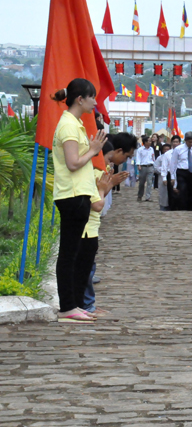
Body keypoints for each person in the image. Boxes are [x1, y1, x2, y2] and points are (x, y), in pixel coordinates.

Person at [51, 79, 108, 323]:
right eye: (92, 97)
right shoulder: (68, 126)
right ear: (80, 99)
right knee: (68, 255)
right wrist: (93, 150)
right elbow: (73, 163)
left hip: (79, 194)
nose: (96, 102)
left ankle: (73, 304)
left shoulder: (75, 123)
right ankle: (67, 307)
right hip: (72, 195)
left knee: (73, 254)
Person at [81, 134, 135, 316]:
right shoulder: (95, 172)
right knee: (85, 270)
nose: (110, 163)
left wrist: (110, 184)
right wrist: (106, 187)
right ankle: (86, 305)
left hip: (91, 227)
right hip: (87, 227)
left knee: (89, 268)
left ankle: (89, 304)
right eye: (108, 159)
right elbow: (97, 204)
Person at [160, 136, 181, 211]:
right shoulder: (167, 154)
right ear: (171, 143)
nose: (175, 143)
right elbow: (164, 166)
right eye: (174, 142)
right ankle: (172, 208)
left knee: (180, 191)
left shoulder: (182, 153)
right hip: (170, 174)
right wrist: (164, 178)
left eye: (177, 142)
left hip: (180, 173)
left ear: (180, 143)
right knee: (171, 192)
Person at [135, 135, 155, 202]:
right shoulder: (140, 150)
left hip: (150, 166)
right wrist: (138, 165)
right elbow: (138, 157)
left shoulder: (151, 149)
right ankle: (140, 195)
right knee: (142, 183)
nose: (150, 142)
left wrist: (154, 165)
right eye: (148, 141)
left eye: (150, 141)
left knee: (149, 182)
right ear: (145, 142)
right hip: (143, 167)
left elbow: (153, 158)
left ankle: (148, 197)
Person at [154, 143, 172, 211]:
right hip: (162, 176)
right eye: (165, 149)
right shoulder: (160, 158)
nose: (167, 151)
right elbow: (155, 167)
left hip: (171, 175)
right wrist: (163, 170)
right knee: (163, 192)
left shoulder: (172, 157)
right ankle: (163, 206)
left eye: (168, 149)